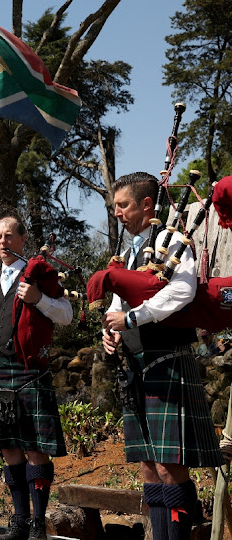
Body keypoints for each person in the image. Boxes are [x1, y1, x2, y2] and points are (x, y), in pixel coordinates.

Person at [102, 172, 222, 540]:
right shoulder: (129, 253)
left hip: (167, 360)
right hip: (134, 364)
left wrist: (132, 318)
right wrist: (109, 331)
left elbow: (182, 292)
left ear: (146, 205)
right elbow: (117, 303)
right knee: (148, 466)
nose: (117, 212)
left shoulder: (171, 240)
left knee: (171, 467)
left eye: (122, 205)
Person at [0, 215, 72, 540]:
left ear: (22, 239)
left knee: (34, 449)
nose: (3, 241)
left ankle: (39, 522)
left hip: (31, 371)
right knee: (9, 448)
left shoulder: (40, 276)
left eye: (9, 235)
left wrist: (38, 299)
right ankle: (20, 520)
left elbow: (67, 315)